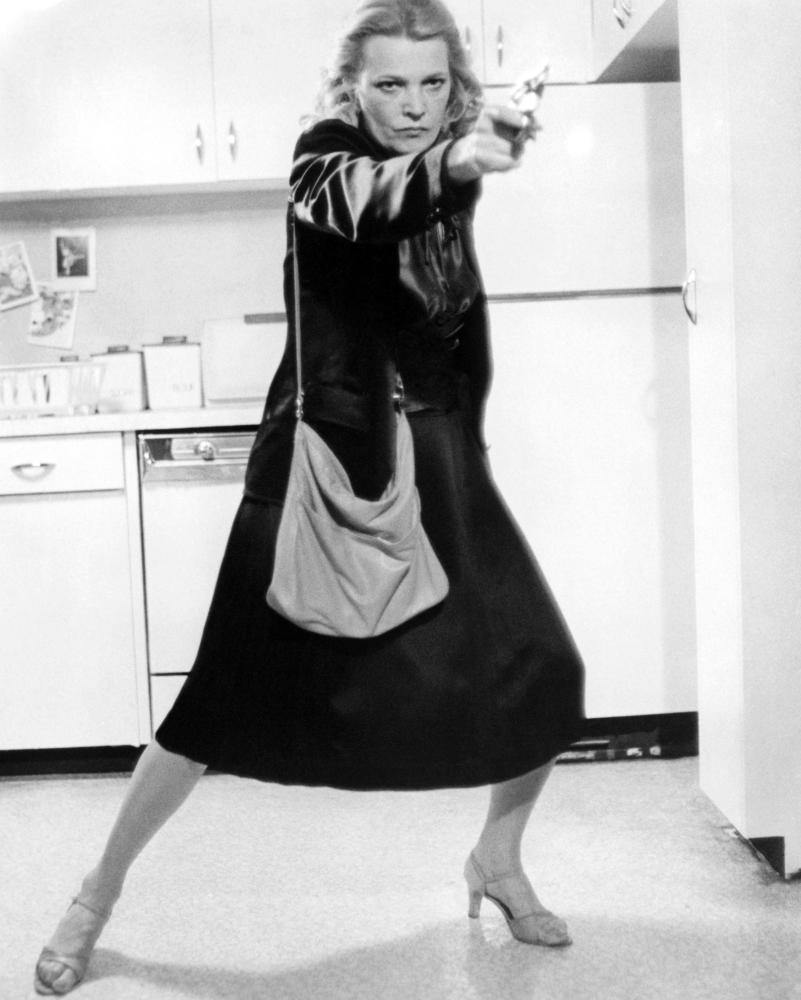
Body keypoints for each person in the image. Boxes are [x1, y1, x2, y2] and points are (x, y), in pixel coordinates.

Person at [34, 0, 584, 993]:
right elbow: (365, 202)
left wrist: (467, 428)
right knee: (214, 709)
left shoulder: (442, 175)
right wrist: (456, 160)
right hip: (326, 464)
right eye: (389, 84)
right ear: (351, 90)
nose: (412, 105)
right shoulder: (323, 160)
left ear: (453, 86)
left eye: (431, 84)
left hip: (440, 461)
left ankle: (497, 861)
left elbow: (445, 320)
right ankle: (93, 896)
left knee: (541, 669)